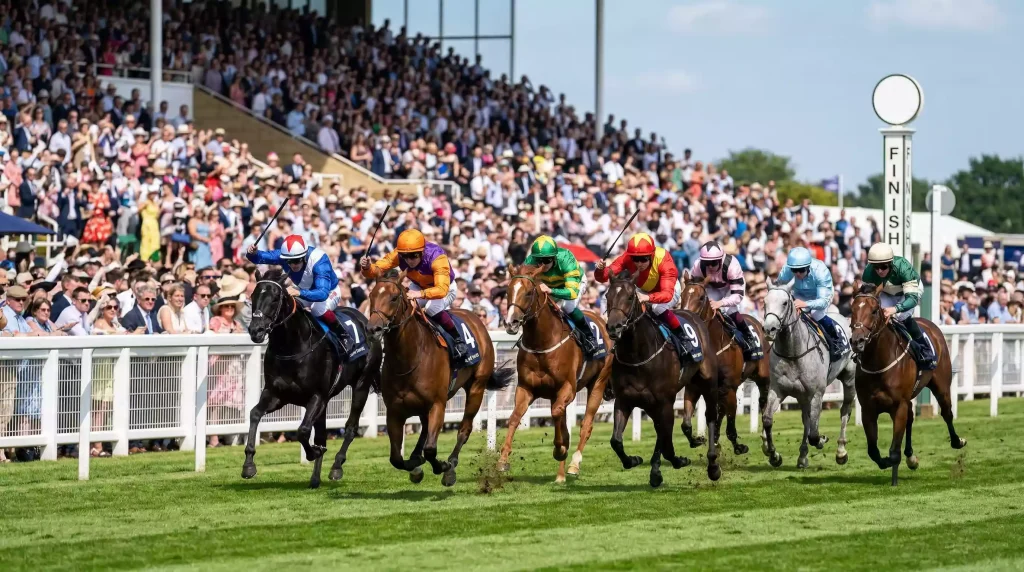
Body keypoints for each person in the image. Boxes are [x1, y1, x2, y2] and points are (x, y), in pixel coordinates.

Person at [360, 228, 468, 360]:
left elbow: (441, 290)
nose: (409, 260)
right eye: (405, 256)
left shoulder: (437, 258)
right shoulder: (399, 254)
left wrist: (419, 294)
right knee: (404, 305)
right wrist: (367, 267)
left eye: (414, 255)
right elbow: (375, 271)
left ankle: (457, 339)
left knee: (431, 309)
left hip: (445, 288)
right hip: (418, 285)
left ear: (422, 251)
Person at [246, 234, 353, 356]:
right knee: (286, 305)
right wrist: (252, 252)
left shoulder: (319, 261)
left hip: (329, 291)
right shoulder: (284, 255)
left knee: (318, 310)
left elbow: (322, 294)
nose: (293, 265)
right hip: (304, 289)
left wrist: (299, 292)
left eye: (297, 260)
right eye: (289, 261)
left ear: (304, 256)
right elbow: (258, 258)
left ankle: (343, 334)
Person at [594, 232, 694, 354]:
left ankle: (683, 337)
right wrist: (600, 269)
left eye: (644, 259)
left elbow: (667, 294)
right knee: (627, 305)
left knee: (657, 308)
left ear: (651, 255)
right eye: (636, 259)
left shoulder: (664, 260)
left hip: (668, 289)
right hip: (643, 289)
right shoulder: (627, 257)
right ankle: (622, 341)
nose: (639, 263)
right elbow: (603, 277)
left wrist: (647, 297)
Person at [521, 235, 599, 357]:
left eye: (547, 260)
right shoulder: (529, 262)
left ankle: (589, 337)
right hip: (548, 285)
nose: (542, 265)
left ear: (554, 257)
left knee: (568, 307)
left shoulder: (566, 259)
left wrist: (551, 291)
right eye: (539, 261)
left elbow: (572, 293)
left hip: (573, 284)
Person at [860, 242, 936, 368]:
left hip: (909, 292)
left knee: (901, 317)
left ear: (890, 263)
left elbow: (912, 299)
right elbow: (866, 298)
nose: (879, 271)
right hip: (886, 292)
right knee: (878, 316)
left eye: (883, 267)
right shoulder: (868, 272)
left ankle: (924, 347)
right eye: (876, 267)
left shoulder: (903, 267)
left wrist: (895, 309)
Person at [775, 247, 847, 360]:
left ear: (808, 266)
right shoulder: (787, 269)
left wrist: (805, 304)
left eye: (802, 270)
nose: (797, 274)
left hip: (820, 295)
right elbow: (778, 287)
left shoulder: (820, 271)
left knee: (815, 313)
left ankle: (837, 341)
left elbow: (823, 302)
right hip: (799, 293)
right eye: (794, 270)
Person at [689, 241, 759, 357]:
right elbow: (694, 288)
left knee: (730, 310)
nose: (710, 266)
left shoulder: (732, 266)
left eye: (713, 263)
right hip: (712, 287)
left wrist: (720, 303)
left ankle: (748, 337)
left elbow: (737, 296)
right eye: (707, 263)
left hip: (730, 288)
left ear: (720, 260)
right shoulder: (698, 266)